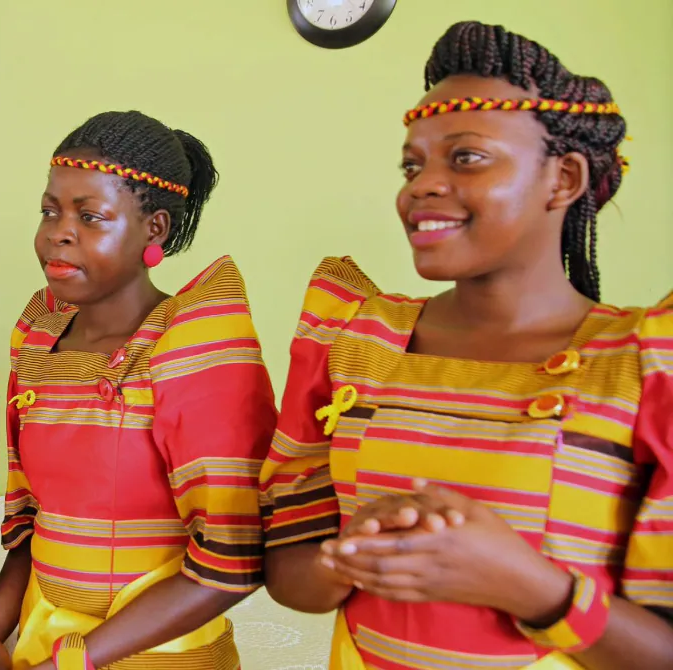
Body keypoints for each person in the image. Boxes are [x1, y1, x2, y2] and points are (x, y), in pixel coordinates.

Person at [260, 21, 673, 670]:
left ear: (563, 180)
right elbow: (290, 577)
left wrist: (532, 587)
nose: (420, 185)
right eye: (411, 164)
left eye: (466, 157)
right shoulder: (354, 340)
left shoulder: (643, 368)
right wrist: (353, 552)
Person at [0, 111, 278, 669]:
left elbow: (235, 557)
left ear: (153, 229)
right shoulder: (39, 337)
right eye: (49, 210)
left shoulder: (193, 342)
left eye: (90, 216)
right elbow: (32, 517)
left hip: (159, 657)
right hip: (44, 645)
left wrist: (77, 661)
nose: (58, 232)